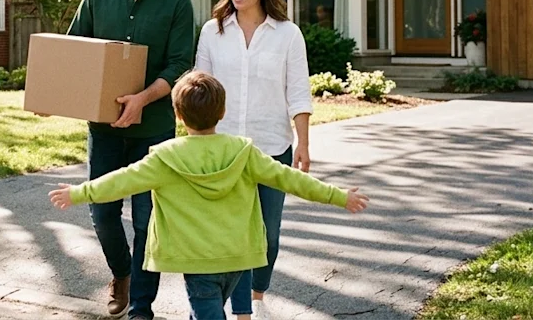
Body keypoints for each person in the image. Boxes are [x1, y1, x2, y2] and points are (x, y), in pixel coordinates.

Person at [49, 71, 369, 320]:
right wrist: (339, 196)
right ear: (223, 111)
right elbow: (289, 178)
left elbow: (121, 181)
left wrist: (78, 193)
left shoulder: (165, 157)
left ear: (177, 115)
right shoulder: (243, 151)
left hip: (198, 260)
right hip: (239, 257)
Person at [65, 0, 195, 320]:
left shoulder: (178, 3)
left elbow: (178, 66)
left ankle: (141, 304)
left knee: (144, 222)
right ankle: (120, 273)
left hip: (153, 130)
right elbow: (74, 52)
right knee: (102, 211)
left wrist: (141, 98)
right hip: (103, 129)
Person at [194, 0, 312, 320]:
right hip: (223, 151)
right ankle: (240, 307)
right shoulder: (213, 31)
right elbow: (200, 88)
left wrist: (304, 143)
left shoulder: (288, 34)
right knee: (230, 235)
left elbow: (298, 91)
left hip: (271, 147)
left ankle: (257, 295)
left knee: (268, 236)